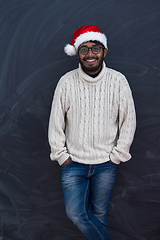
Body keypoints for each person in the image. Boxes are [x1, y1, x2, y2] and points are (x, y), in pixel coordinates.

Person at [48, 25, 136, 240]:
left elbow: (129, 121)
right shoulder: (66, 82)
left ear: (104, 51)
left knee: (99, 215)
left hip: (106, 163)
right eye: (84, 49)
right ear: (77, 52)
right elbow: (56, 122)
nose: (90, 54)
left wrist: (117, 155)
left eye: (95, 48)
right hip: (73, 163)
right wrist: (62, 156)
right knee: (76, 213)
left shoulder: (118, 81)